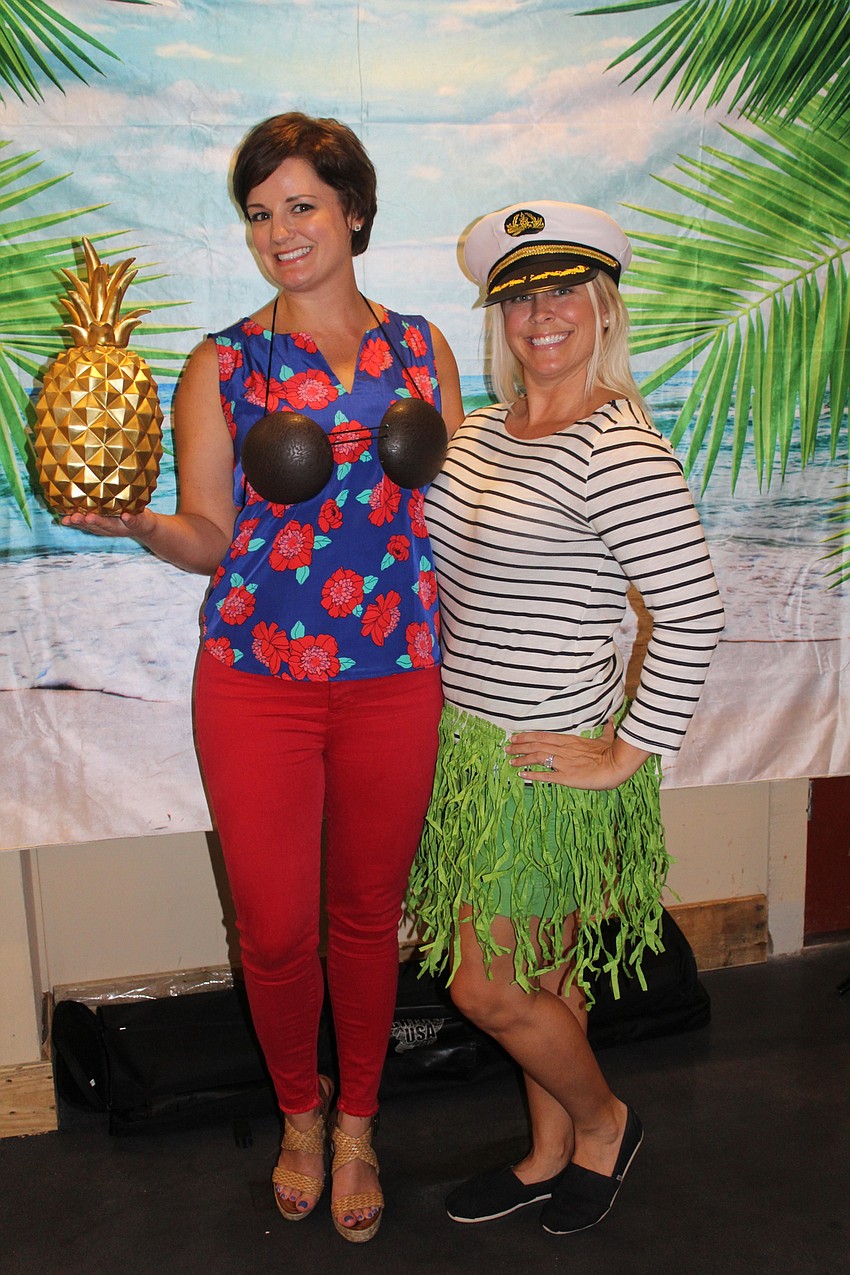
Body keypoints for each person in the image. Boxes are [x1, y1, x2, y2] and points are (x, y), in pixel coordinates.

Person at [64, 112, 463, 1243]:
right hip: (257, 679)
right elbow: (208, 530)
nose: (279, 232)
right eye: (258, 212)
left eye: (300, 205)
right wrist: (143, 526)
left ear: (352, 211)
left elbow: (457, 508)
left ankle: (358, 1127)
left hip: (394, 673)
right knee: (277, 927)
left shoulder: (424, 349)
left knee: (366, 916)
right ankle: (299, 1112)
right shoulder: (226, 363)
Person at [406, 200, 724, 1235]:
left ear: (601, 308)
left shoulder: (612, 447)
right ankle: (547, 1151)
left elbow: (693, 610)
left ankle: (603, 1120)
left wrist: (629, 752)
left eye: (564, 293)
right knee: (542, 978)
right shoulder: (490, 431)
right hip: (470, 748)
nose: (541, 314)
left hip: (539, 763)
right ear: (499, 316)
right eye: (519, 296)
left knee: (488, 991)